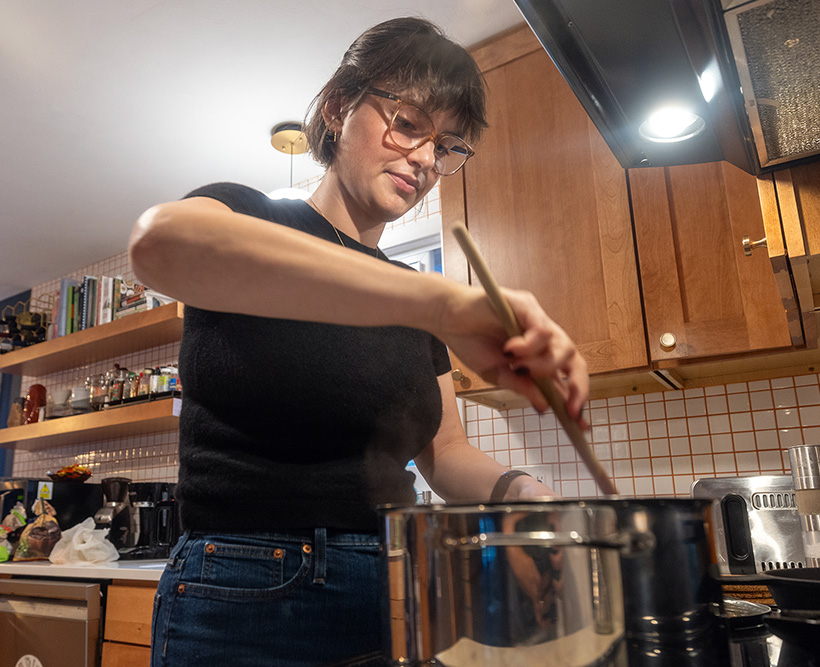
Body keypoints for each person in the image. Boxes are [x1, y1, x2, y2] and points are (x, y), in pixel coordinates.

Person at [128, 17, 589, 667]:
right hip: (245, 584)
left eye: (449, 145)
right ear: (338, 108)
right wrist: (448, 304)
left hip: (396, 584)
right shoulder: (251, 217)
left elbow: (445, 452)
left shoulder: (416, 298)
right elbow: (160, 244)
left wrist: (523, 495)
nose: (427, 160)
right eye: (408, 124)